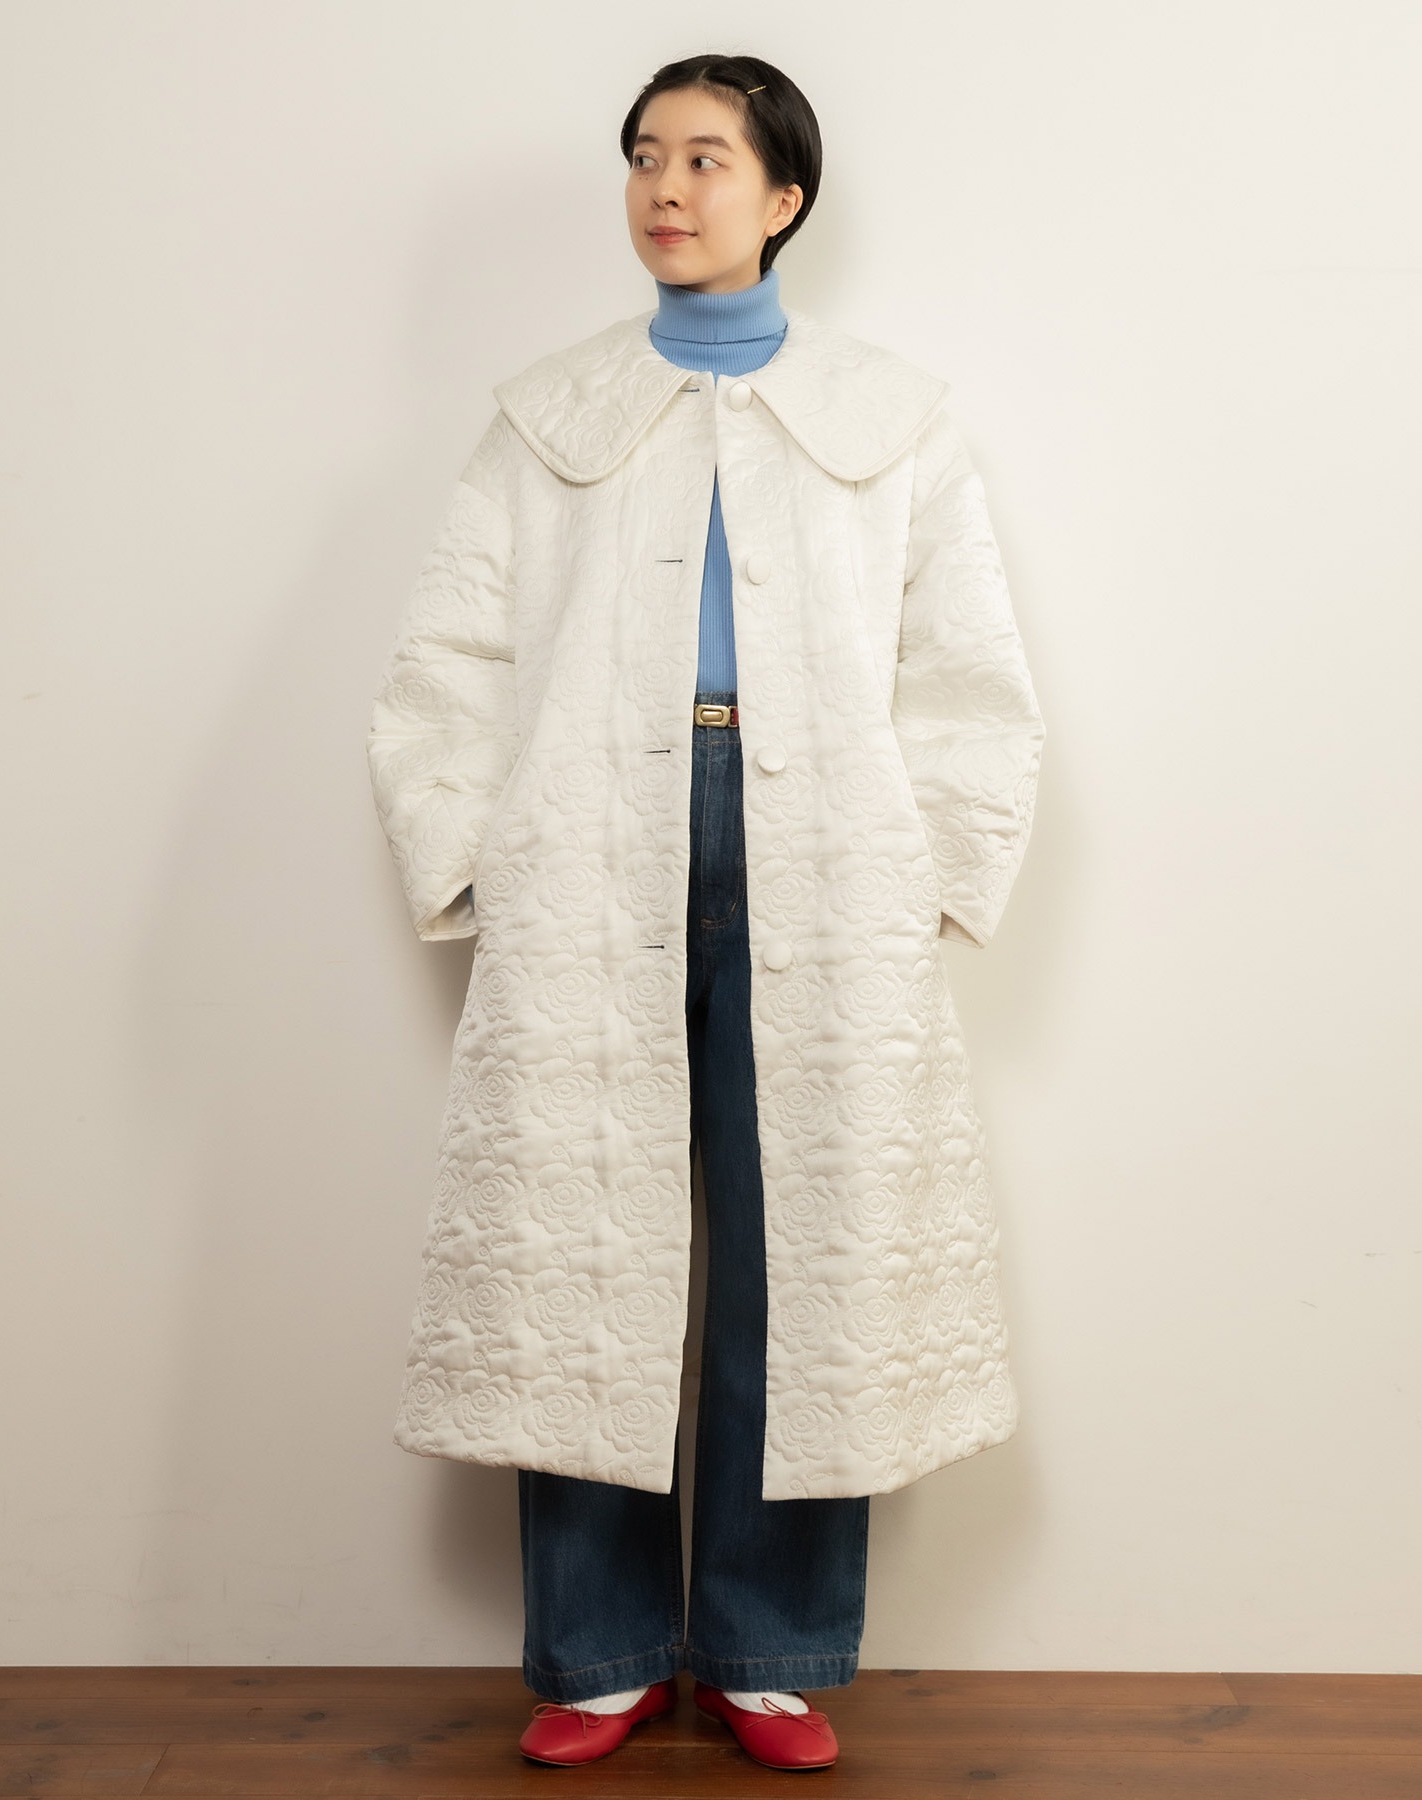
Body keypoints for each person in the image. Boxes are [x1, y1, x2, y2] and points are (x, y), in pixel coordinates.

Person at [366, 52, 1044, 1774]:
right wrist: (481, 861)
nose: (668, 188)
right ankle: (597, 1653)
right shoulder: (548, 418)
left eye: (708, 159)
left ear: (784, 195)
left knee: (800, 1246)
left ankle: (768, 1649)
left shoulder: (893, 417)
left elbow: (971, 674)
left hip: (826, 860)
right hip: (594, 844)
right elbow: (449, 660)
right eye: (646, 158)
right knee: (585, 1246)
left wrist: (930, 878)